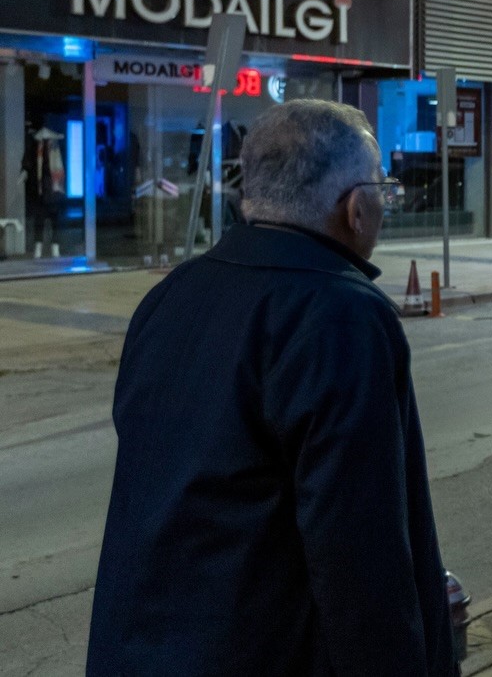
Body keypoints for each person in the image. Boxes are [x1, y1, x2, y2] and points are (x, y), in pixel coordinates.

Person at [88, 100, 452, 676]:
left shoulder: (171, 295)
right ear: (355, 207)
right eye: (382, 188)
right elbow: (358, 550)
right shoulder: (341, 315)